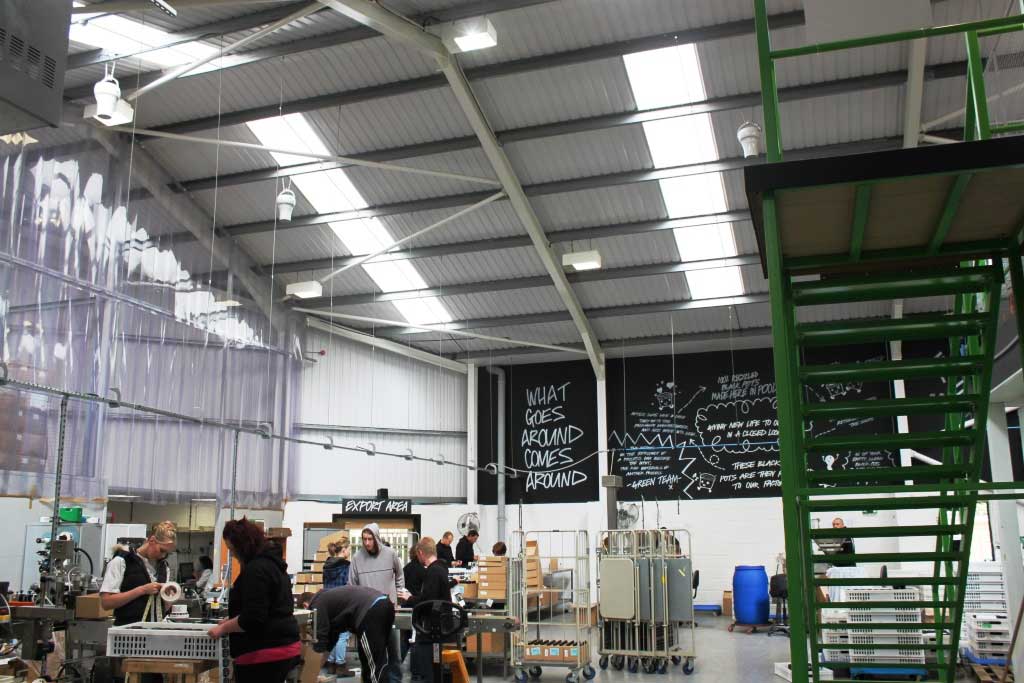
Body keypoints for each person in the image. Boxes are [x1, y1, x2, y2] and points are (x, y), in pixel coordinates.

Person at [207, 518, 300, 683]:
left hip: (264, 652)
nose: (233, 555)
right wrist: (231, 620)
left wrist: (223, 628)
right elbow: (264, 609)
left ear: (242, 546)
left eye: (232, 549)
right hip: (284, 646)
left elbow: (252, 618)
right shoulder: (273, 565)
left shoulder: (256, 570)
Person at [349, 524, 407, 683]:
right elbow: (352, 586)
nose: (367, 543)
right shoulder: (357, 558)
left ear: (376, 538)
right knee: (369, 654)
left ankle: (395, 681)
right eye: (364, 539)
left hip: (389, 611)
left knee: (394, 652)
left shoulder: (390, 554)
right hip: (367, 615)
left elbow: (400, 577)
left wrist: (398, 598)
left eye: (370, 539)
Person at [307, 586, 397, 683]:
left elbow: (321, 640)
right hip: (385, 603)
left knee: (373, 667)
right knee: (380, 661)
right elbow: (330, 641)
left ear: (305, 605)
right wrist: (314, 672)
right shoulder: (330, 599)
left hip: (372, 610)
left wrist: (309, 674)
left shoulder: (317, 606)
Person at [100, 520, 177, 625]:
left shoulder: (164, 567)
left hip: (155, 630)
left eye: (167, 553)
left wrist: (168, 597)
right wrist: (142, 590)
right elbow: (106, 602)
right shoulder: (122, 561)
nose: (163, 556)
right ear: (152, 540)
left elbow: (164, 608)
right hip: (127, 630)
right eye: (162, 550)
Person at [404, 538, 459, 683]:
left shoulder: (433, 571)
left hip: (434, 628)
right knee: (434, 666)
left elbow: (427, 601)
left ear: (421, 553)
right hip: (439, 626)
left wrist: (410, 598)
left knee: (429, 668)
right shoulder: (440, 568)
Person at [323, 540, 354, 677]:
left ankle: (330, 663)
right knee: (342, 634)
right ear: (344, 550)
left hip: (328, 601)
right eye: (349, 549)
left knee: (332, 633)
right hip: (341, 602)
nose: (350, 552)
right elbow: (348, 585)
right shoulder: (346, 566)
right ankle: (340, 665)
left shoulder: (327, 565)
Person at [400, 546, 426, 663]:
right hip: (416, 606)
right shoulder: (422, 570)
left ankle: (397, 662)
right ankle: (416, 667)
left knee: (406, 637)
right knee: (416, 637)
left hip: (405, 606)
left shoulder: (406, 568)